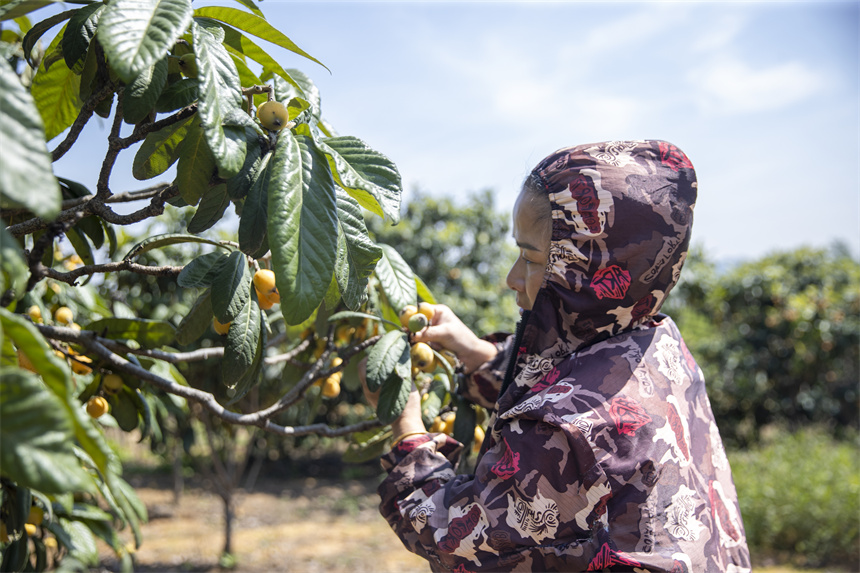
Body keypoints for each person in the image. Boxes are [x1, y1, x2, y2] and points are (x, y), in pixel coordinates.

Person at [361, 140, 752, 572]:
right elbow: (576, 380)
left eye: (530, 259)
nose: (512, 278)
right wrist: (479, 356)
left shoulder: (562, 431)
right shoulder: (658, 342)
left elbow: (453, 537)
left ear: (580, 273)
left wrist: (406, 429)